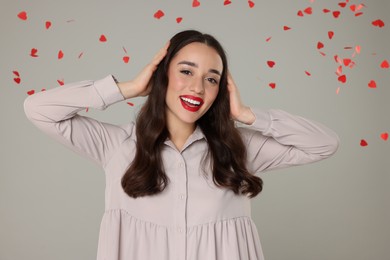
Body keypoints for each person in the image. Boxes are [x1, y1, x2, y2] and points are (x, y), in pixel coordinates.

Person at [24, 30, 339, 260]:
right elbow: (38, 109)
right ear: (162, 75)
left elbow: (323, 144)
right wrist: (129, 88)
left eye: (211, 78)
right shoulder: (117, 145)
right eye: (186, 71)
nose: (197, 87)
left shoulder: (237, 148)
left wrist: (247, 115)